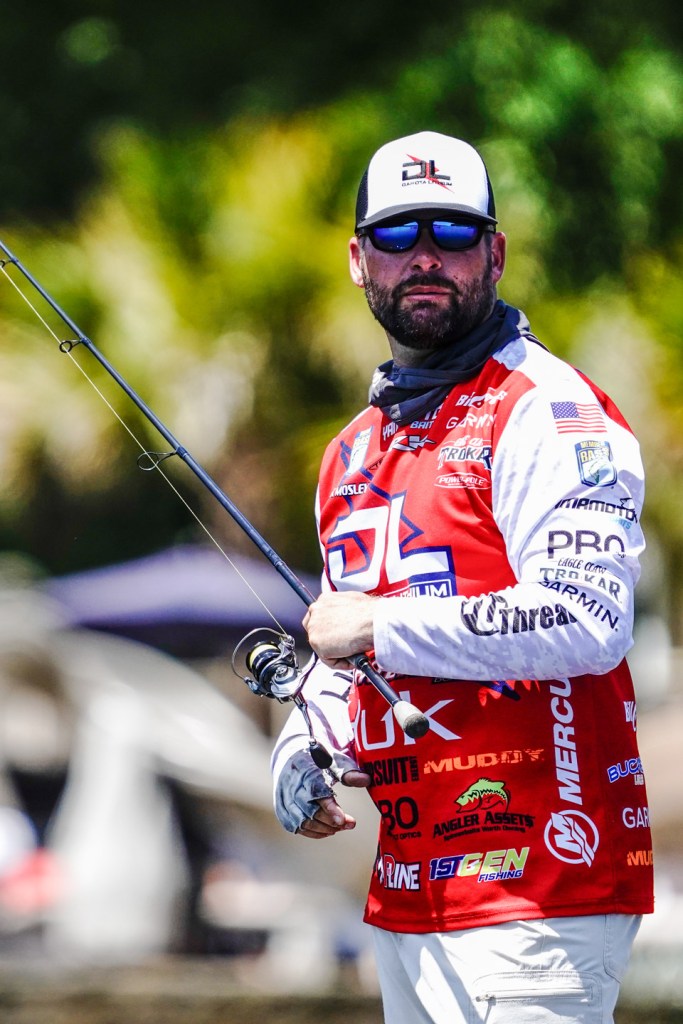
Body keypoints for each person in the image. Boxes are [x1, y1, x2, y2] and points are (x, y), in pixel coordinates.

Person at [270, 130, 654, 1023]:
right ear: (359, 261)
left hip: (544, 885)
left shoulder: (551, 410)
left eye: (451, 232)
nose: (425, 257)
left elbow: (588, 617)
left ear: (495, 253)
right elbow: (341, 653)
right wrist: (300, 746)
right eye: (397, 235)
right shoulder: (348, 452)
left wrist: (381, 625)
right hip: (408, 894)